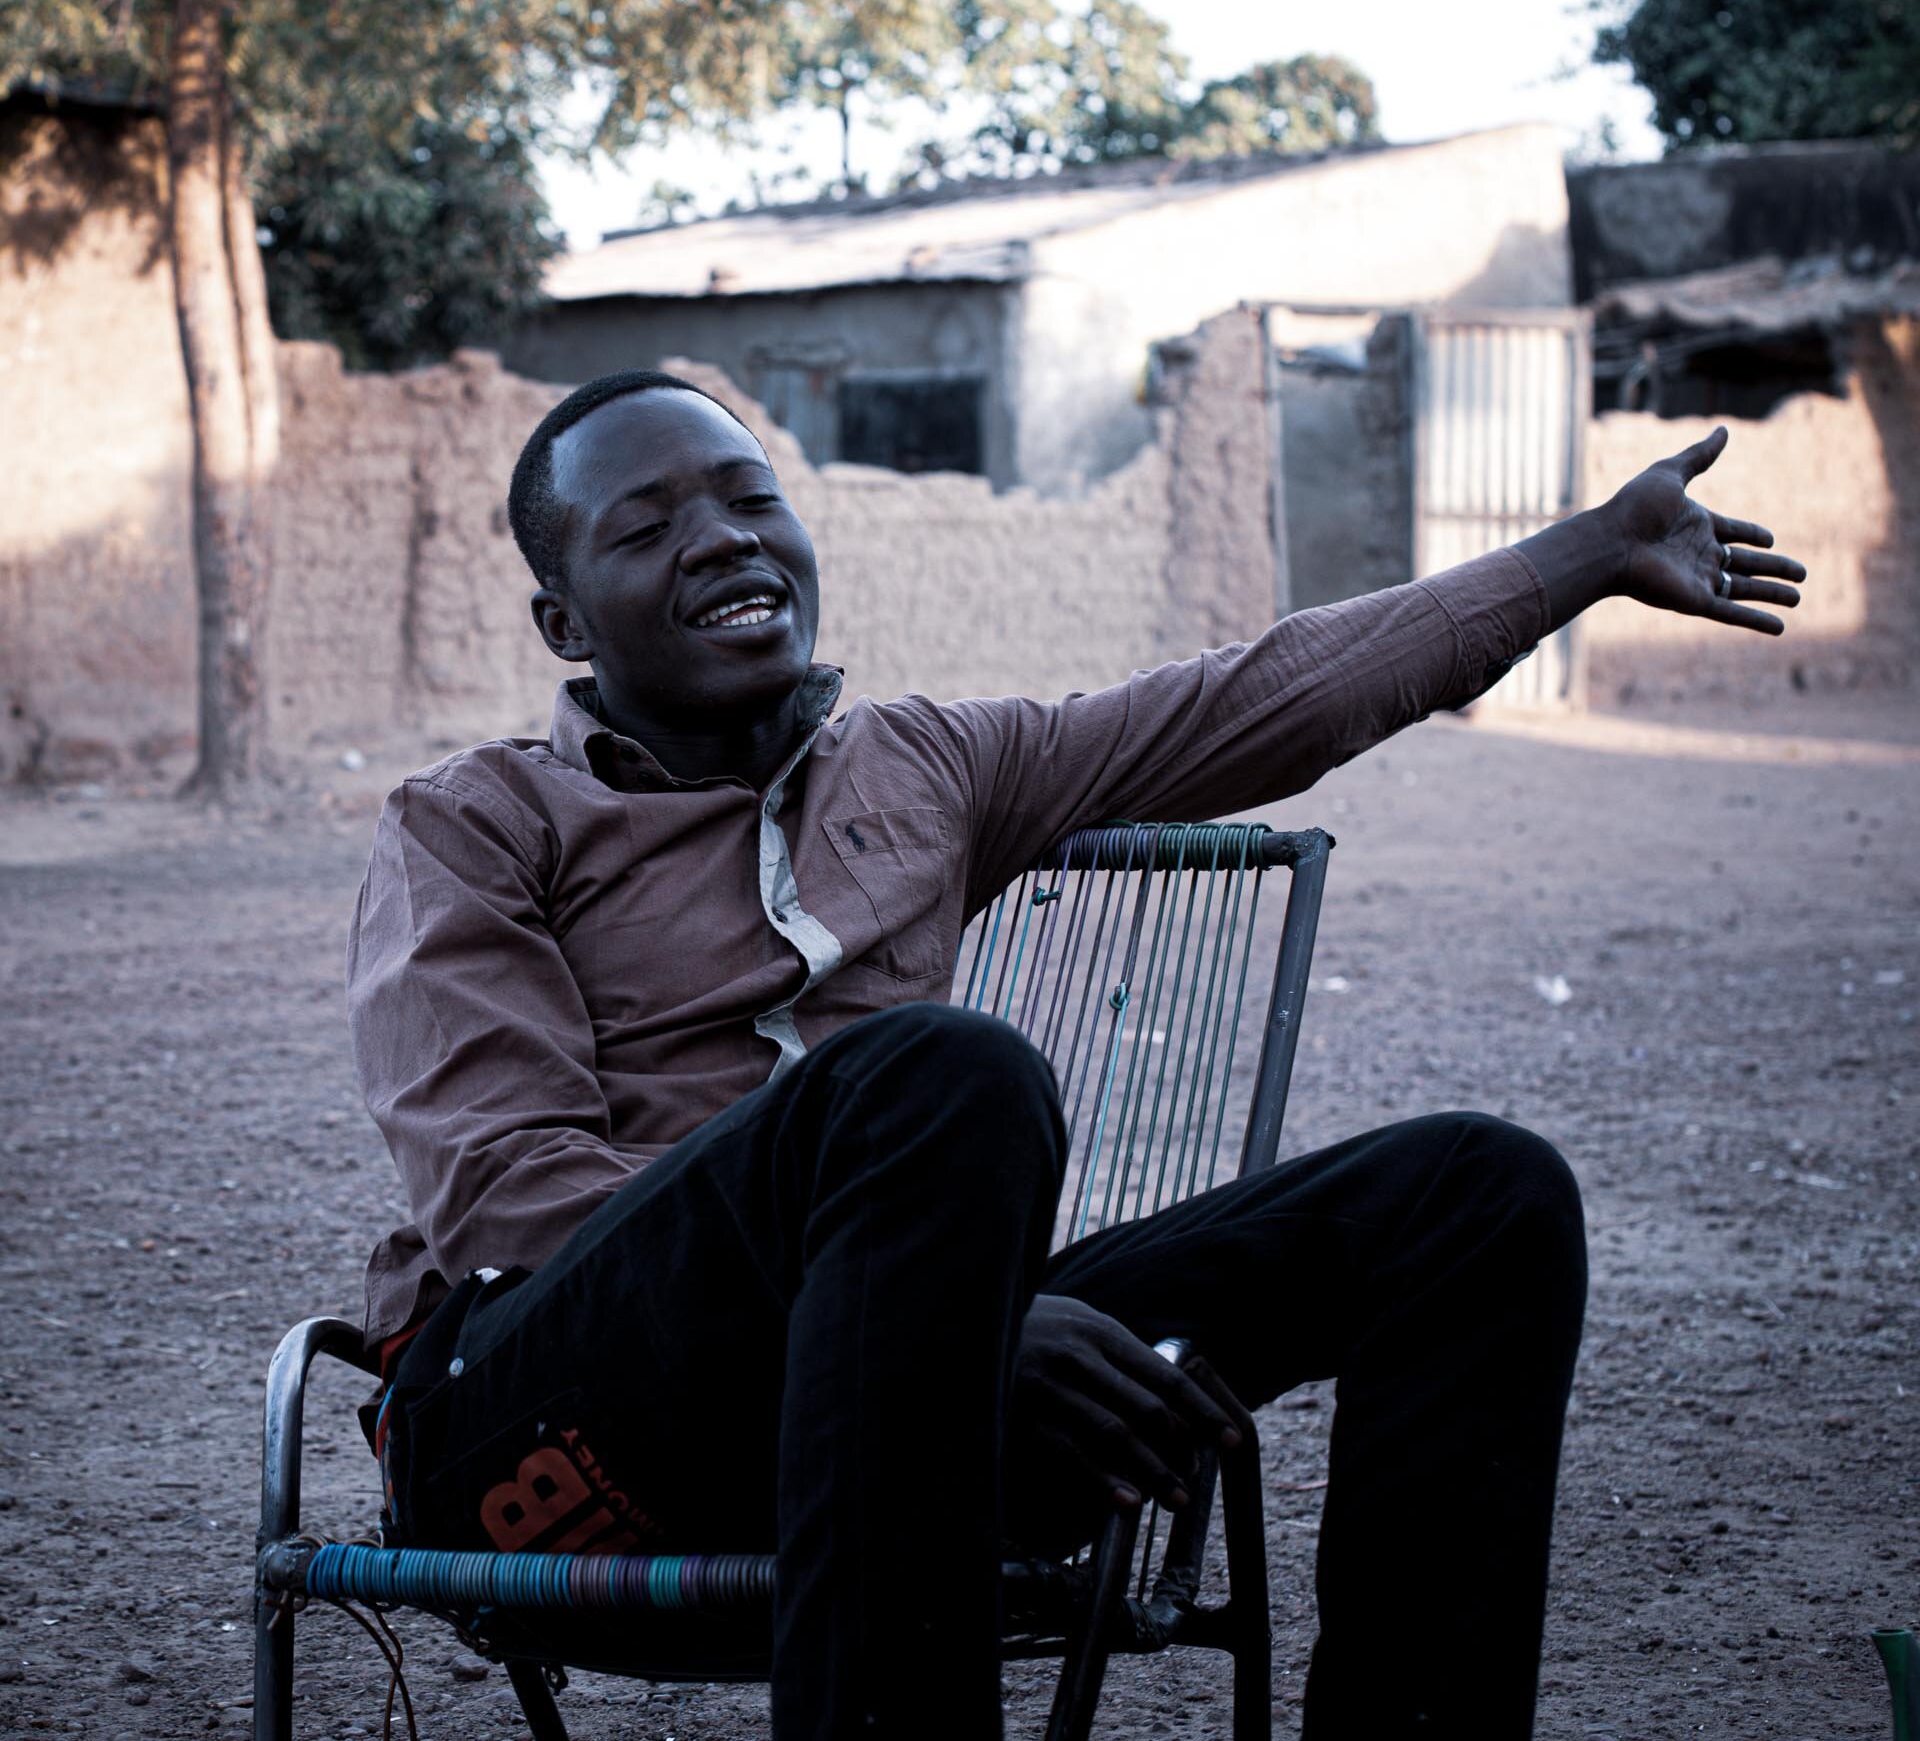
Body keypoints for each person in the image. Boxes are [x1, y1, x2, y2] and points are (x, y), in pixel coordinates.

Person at [346, 369, 1804, 1739]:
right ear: (566, 624)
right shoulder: (473, 826)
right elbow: (506, 1197)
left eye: (749, 498)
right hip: (553, 1440)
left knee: (1477, 1198)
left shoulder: (929, 767)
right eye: (649, 527)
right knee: (939, 1074)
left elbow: (1263, 701)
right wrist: (963, 1326)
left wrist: (1582, 555)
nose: (723, 542)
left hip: (905, 1420)